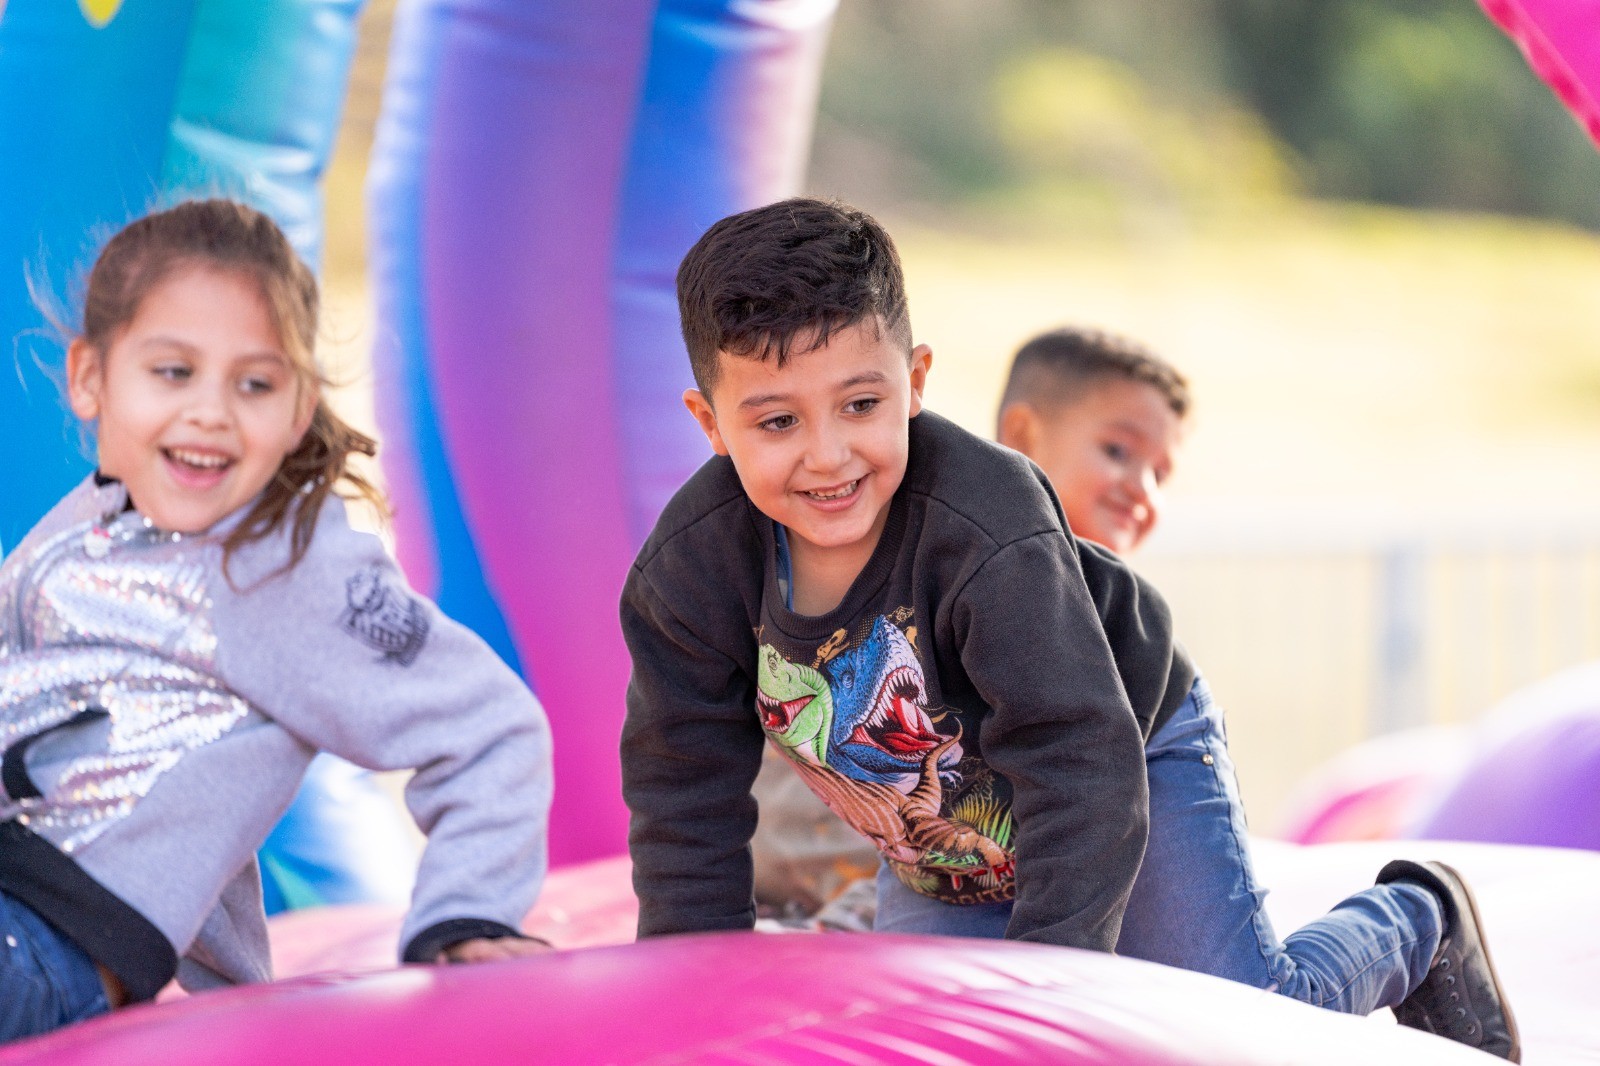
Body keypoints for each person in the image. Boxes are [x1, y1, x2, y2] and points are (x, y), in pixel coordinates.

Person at [620, 198, 1519, 1061]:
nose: (828, 454)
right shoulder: (690, 577)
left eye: (861, 405)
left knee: (1234, 1020)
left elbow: (1076, 755)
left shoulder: (984, 526)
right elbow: (683, 797)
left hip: (1123, 744)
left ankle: (1414, 917)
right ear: (710, 424)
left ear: (916, 382)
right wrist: (693, 1003)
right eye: (777, 421)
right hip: (944, 827)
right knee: (923, 1037)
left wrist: (1052, 998)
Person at [0, 200, 553, 1044]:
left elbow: (487, 726)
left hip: (47, 948)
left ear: (297, 410)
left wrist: (465, 916)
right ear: (90, 379)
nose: (212, 411)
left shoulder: (282, 564)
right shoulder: (78, 527)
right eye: (173, 372)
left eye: (254, 383)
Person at [995, 326, 1188, 556]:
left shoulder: (1116, 590)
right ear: (1023, 437)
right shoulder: (973, 568)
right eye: (1117, 451)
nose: (1143, 489)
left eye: (1159, 475)